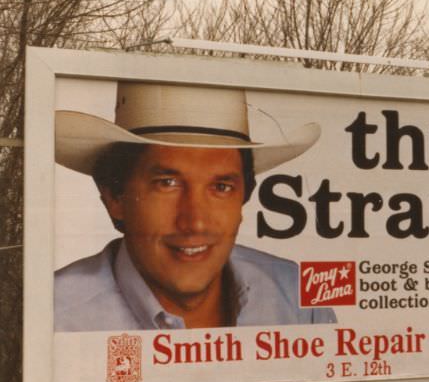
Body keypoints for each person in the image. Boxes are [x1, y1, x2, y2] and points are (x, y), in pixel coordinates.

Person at [54, 81, 337, 331]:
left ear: (243, 199)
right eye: (167, 183)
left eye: (221, 187)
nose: (195, 223)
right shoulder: (54, 313)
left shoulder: (298, 298)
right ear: (115, 199)